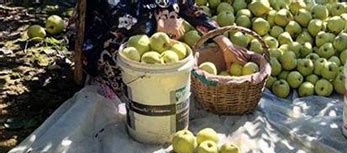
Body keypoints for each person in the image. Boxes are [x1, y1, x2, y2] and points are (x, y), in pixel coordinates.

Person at [80, 0, 247, 98]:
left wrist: (224, 42)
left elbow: (191, 10)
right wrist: (157, 25)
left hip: (146, 45)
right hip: (104, 43)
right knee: (142, 92)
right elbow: (118, 15)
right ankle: (115, 85)